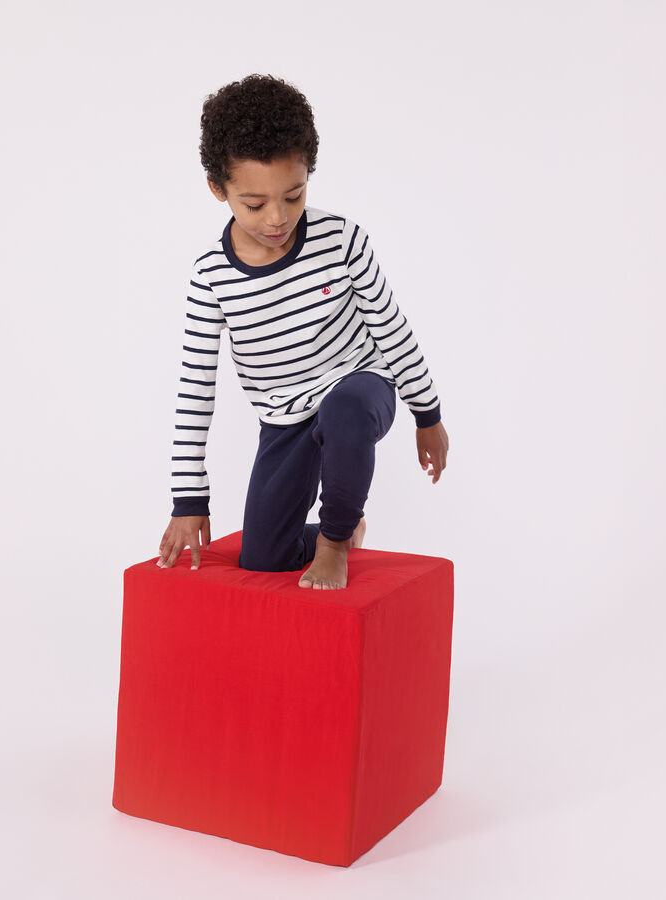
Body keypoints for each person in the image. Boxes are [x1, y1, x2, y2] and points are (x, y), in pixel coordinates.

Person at [157, 73, 449, 589]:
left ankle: (334, 543)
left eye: (293, 196)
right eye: (255, 204)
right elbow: (196, 387)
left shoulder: (342, 240)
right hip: (285, 413)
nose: (277, 218)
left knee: (344, 411)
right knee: (264, 559)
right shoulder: (211, 277)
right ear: (218, 189)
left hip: (359, 384)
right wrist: (188, 499)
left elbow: (391, 328)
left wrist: (428, 415)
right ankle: (346, 530)